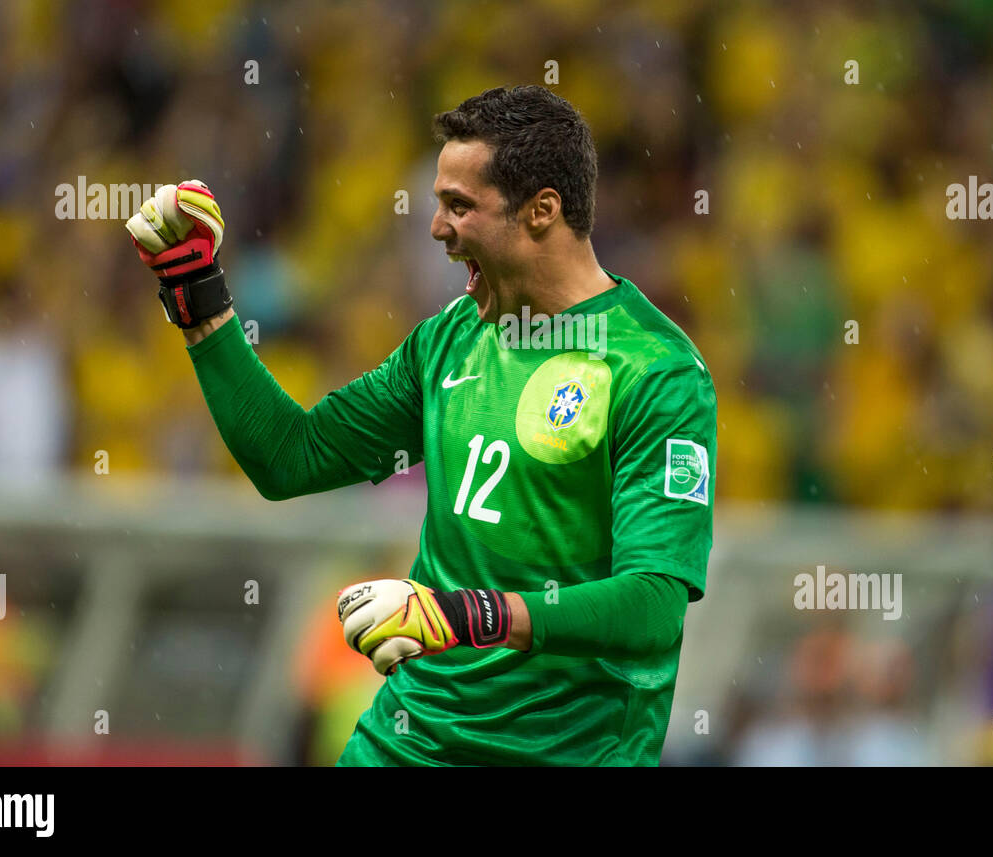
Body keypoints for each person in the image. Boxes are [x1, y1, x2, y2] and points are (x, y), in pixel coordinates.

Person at [124, 85, 717, 766]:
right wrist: (196, 293)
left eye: (459, 206)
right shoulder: (447, 342)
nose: (437, 228)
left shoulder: (656, 372)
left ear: (542, 212)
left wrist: (466, 615)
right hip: (407, 744)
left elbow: (652, 607)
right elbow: (290, 456)